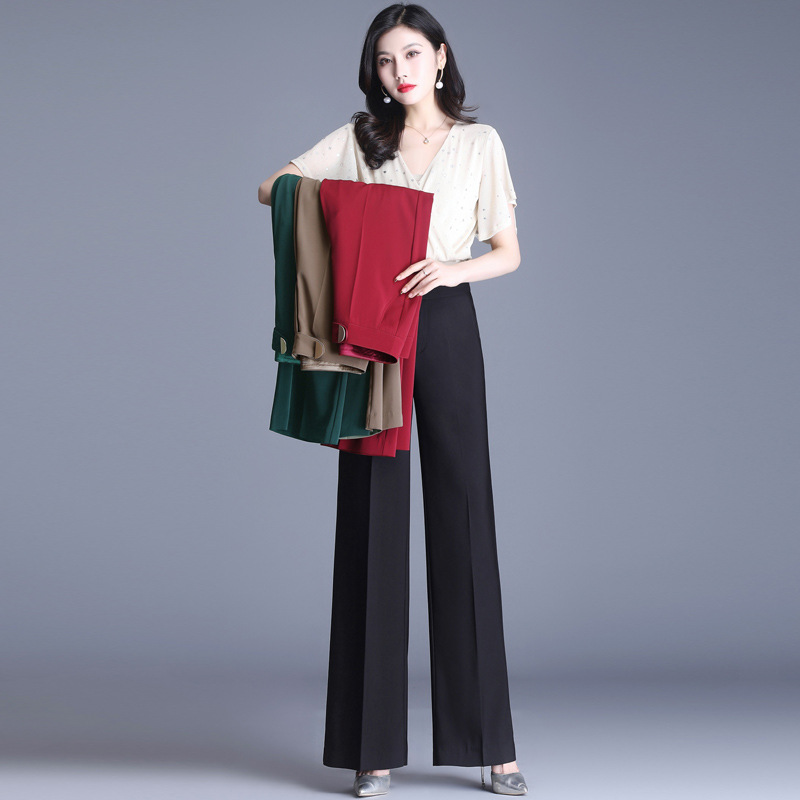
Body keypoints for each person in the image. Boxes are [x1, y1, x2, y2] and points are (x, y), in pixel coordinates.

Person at [258, 4, 528, 796]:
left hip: (443, 318)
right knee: (372, 513)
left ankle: (492, 746)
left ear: (440, 57)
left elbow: (508, 252)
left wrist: (451, 269)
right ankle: (369, 748)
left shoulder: (480, 143)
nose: (399, 70)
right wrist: (357, 213)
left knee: (464, 510)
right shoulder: (360, 138)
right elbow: (272, 187)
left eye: (411, 53)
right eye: (384, 59)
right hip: (372, 325)